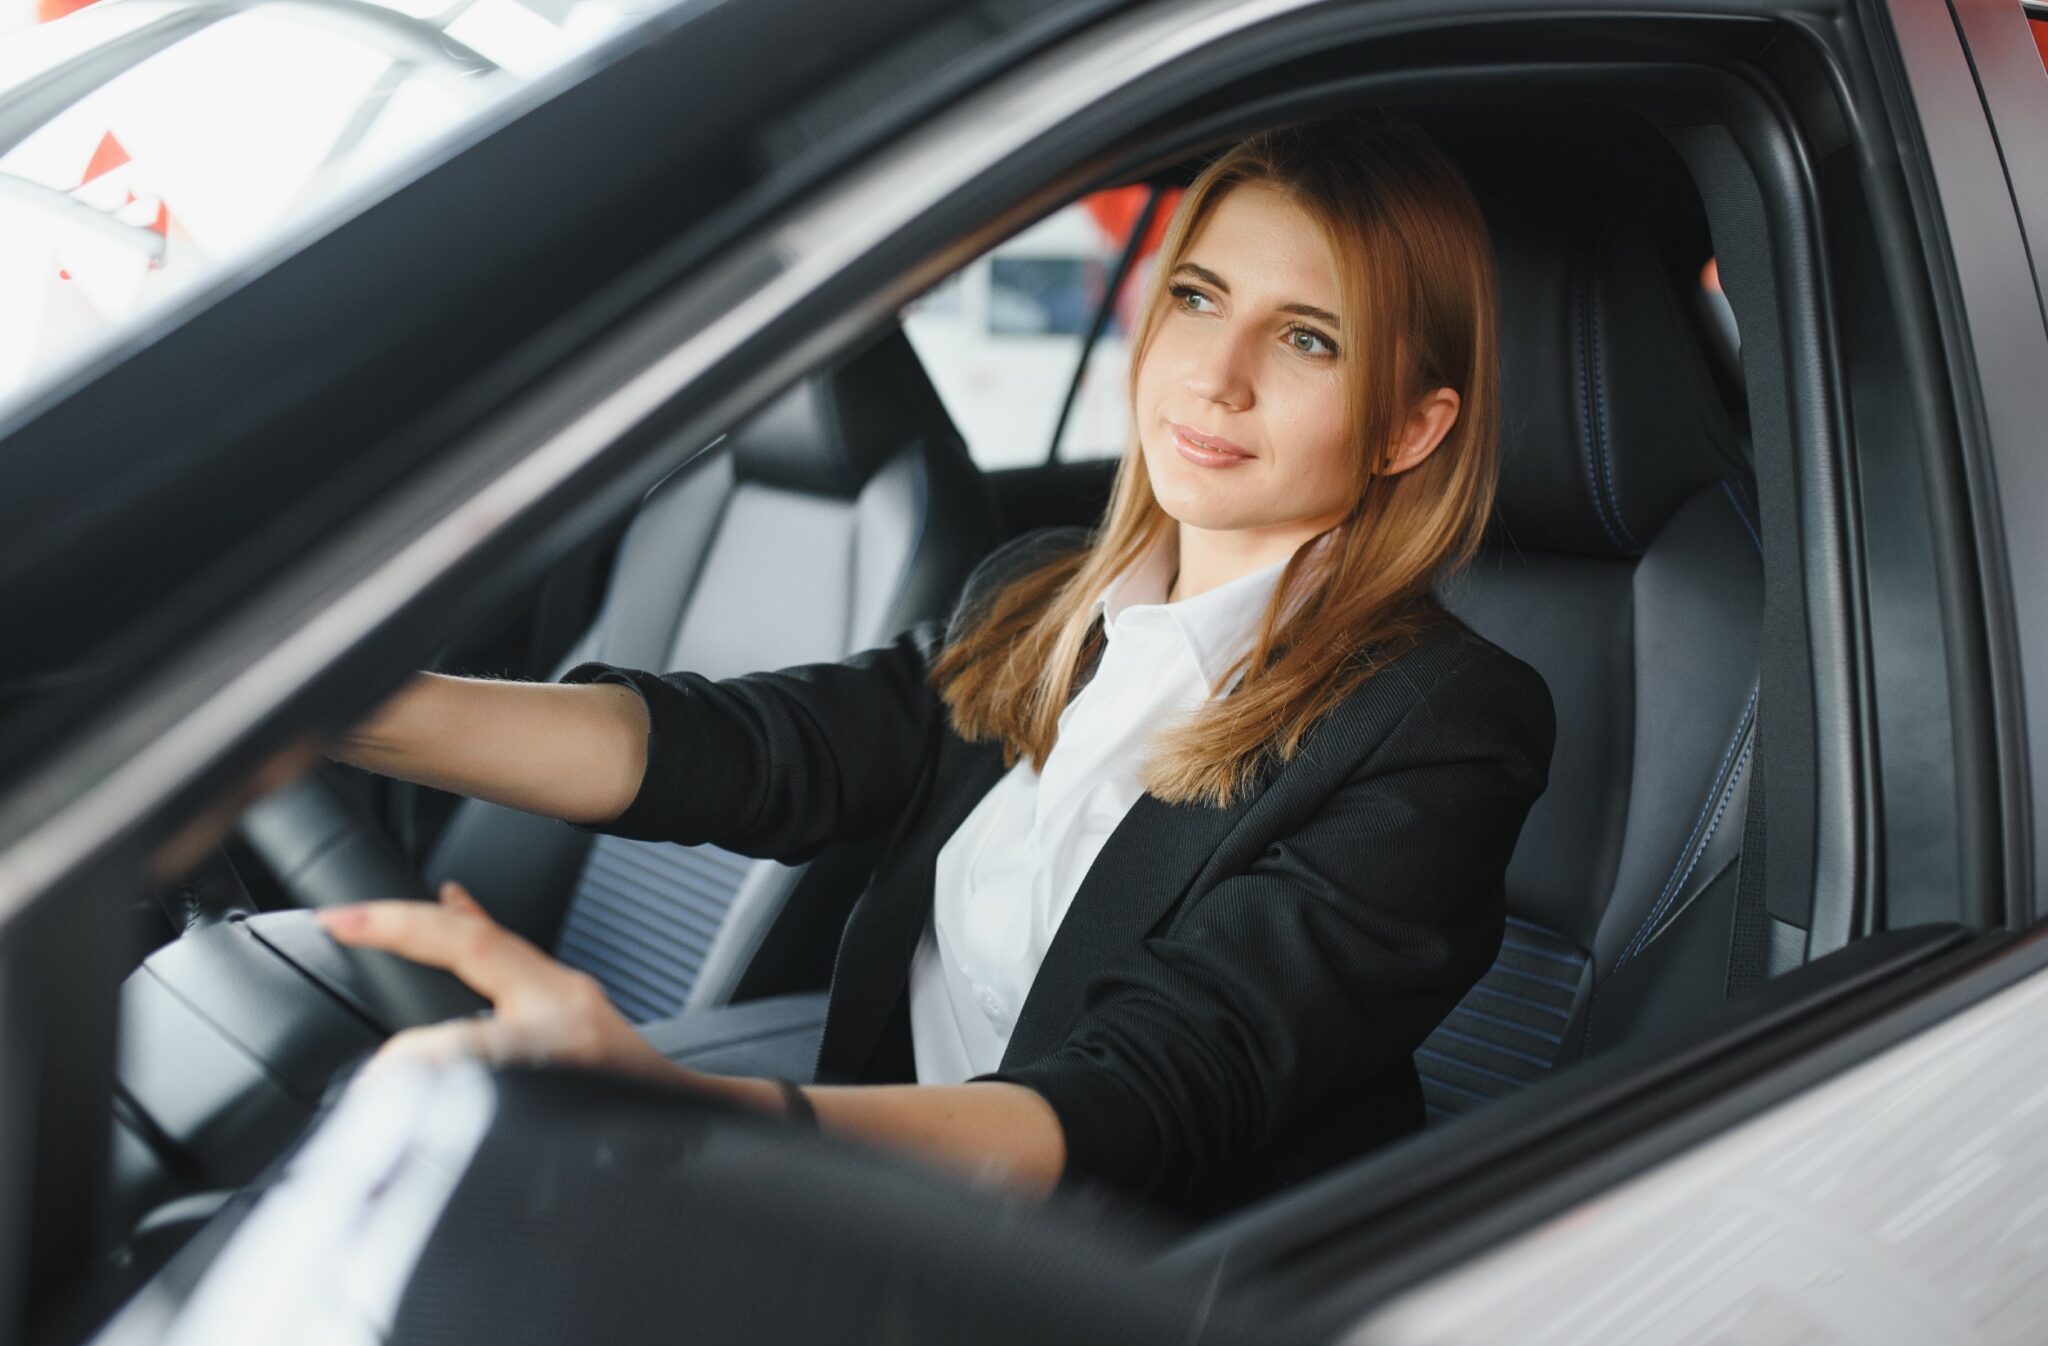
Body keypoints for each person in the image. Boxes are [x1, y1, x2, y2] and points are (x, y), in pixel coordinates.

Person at [315, 110, 1556, 1220]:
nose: (1213, 376)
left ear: (1409, 425)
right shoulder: (1038, 597)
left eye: (1306, 339)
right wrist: (327, 712)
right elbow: (749, 752)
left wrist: (712, 1126)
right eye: (1193, 296)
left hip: (1109, 1286)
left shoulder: (1442, 724)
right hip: (881, 1206)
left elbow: (1155, 1088)